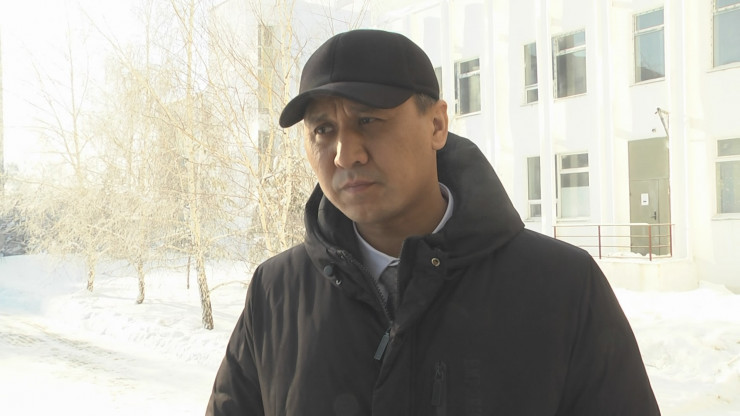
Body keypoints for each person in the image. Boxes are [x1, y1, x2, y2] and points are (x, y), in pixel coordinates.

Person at [206, 29, 661, 416]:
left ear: (437, 125)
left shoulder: (562, 287)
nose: (346, 154)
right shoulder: (275, 293)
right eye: (323, 130)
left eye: (369, 120)